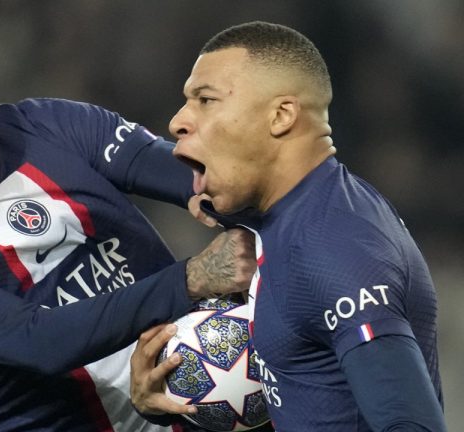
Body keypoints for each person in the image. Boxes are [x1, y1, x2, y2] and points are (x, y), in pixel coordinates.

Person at [0, 18, 256, 431]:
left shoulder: (48, 126)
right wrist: (189, 279)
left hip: (197, 403)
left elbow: (206, 181)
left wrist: (234, 207)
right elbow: (38, 340)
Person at [131, 21, 446, 431]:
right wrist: (161, 400)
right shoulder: (284, 211)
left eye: (205, 100)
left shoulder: (339, 249)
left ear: (281, 116)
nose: (177, 122)